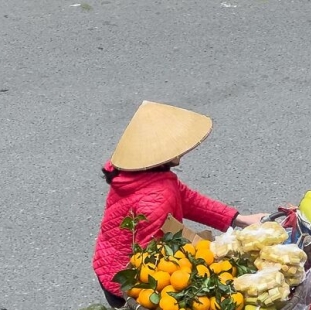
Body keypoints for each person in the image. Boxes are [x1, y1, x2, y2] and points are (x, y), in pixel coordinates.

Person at [92, 100, 269, 307]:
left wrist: (239, 220)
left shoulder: (136, 174)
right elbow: (151, 261)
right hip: (126, 282)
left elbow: (188, 200)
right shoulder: (157, 197)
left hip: (108, 263)